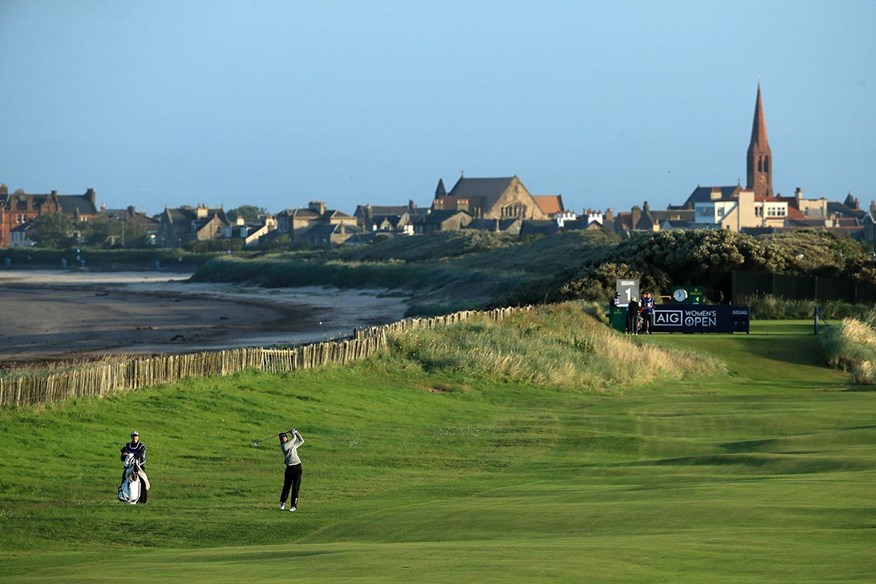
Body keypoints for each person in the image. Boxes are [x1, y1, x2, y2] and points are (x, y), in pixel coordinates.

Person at [279, 429, 304, 512]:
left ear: (286, 438)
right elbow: (294, 439)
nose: (283, 439)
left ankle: (294, 506)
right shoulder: (284, 446)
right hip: (289, 468)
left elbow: (301, 441)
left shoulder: (292, 446)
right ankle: (282, 502)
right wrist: (293, 433)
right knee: (287, 486)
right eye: (282, 439)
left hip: (297, 467)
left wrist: (296, 432)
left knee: (295, 487)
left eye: (284, 438)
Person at [120, 430, 148, 503]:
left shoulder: (141, 446)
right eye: (133, 437)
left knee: (143, 481)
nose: (134, 438)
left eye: (136, 437)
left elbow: (140, 455)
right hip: (129, 467)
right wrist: (124, 454)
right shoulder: (127, 446)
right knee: (124, 480)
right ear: (131, 438)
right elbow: (122, 458)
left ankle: (142, 500)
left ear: (138, 438)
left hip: (139, 467)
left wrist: (131, 454)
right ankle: (123, 496)